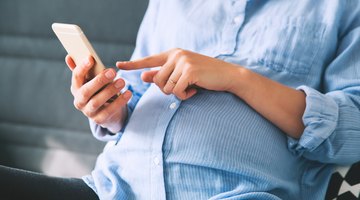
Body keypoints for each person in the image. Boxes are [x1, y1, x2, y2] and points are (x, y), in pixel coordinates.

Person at [1, 0, 360, 199]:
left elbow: (353, 130)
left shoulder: (341, 7)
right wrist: (109, 109)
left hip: (236, 193)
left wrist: (237, 78)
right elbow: (135, 90)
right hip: (111, 189)